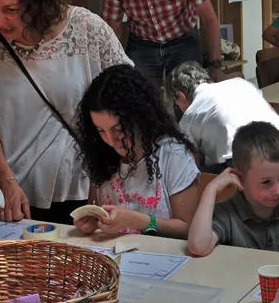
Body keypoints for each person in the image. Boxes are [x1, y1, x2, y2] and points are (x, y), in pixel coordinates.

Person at [0, 0, 133, 223]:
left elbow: (128, 96)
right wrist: (5, 180)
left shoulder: (86, 29)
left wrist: (106, 170)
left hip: (84, 187)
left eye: (11, 9)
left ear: (35, 1)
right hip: (16, 193)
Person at [73, 64, 200, 239]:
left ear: (139, 118)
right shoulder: (101, 153)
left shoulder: (172, 154)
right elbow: (95, 208)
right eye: (101, 130)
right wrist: (92, 221)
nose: (110, 140)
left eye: (118, 129)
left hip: (163, 259)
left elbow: (188, 228)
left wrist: (138, 221)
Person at [188, 121, 279, 257]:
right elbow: (198, 247)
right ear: (241, 179)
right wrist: (211, 189)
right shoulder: (227, 213)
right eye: (266, 182)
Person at [167, 61, 279, 173]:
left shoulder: (190, 115)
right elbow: (272, 112)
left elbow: (191, 160)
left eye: (176, 103)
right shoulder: (241, 83)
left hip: (248, 170)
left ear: (180, 95)